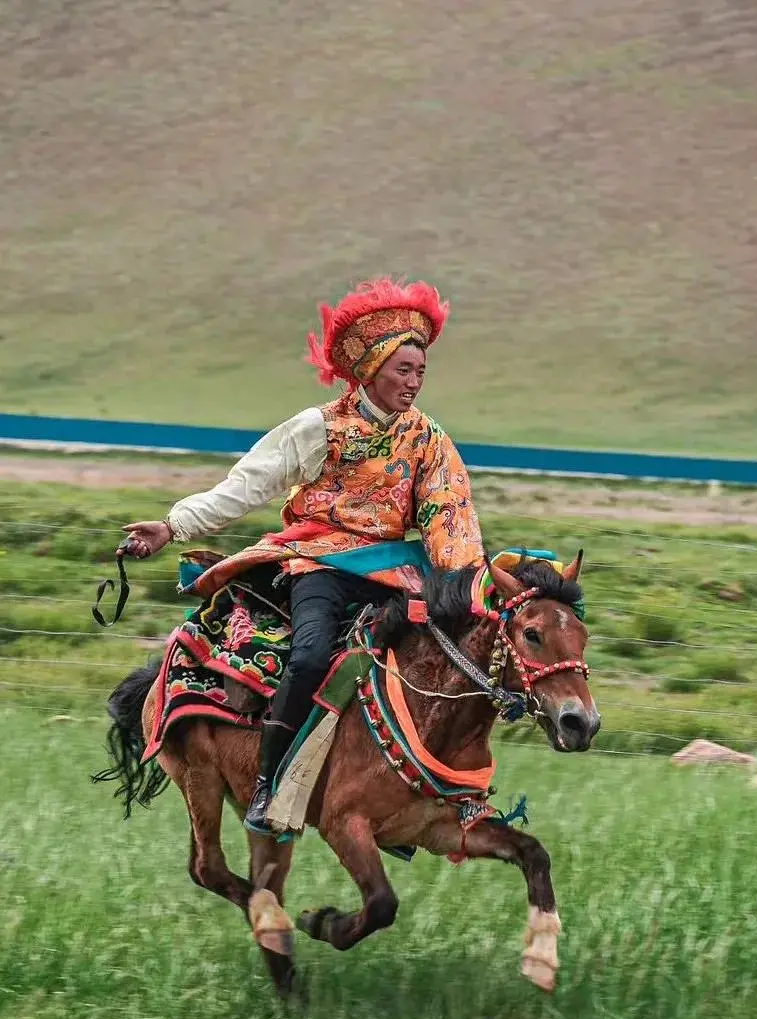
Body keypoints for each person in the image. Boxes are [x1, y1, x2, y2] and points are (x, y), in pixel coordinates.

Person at [120, 277, 485, 835]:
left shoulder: (430, 440)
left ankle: (453, 793)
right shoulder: (319, 428)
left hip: (396, 574)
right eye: (402, 371)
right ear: (371, 370)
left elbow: (450, 517)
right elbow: (245, 487)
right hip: (321, 566)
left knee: (456, 661)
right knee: (312, 654)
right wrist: (173, 526)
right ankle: (270, 782)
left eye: (420, 373)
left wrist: (467, 590)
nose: (412, 384)